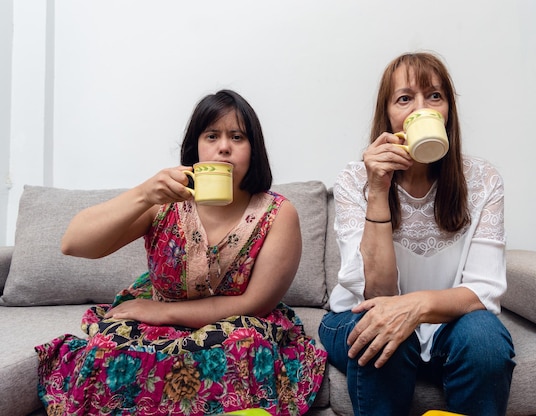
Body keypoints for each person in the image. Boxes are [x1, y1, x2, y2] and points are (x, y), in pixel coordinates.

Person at [36, 89, 327, 416]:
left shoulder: (278, 212)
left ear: (253, 149)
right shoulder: (164, 202)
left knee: (245, 344)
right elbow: (73, 243)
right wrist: (144, 193)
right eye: (212, 136)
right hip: (154, 322)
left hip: (236, 322)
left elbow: (253, 304)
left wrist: (162, 312)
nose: (224, 147)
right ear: (195, 149)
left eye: (237, 137)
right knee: (107, 350)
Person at [318, 52, 516, 416]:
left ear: (448, 113)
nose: (419, 110)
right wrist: (378, 190)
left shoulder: (484, 181)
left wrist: (415, 307)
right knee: (380, 331)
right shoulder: (353, 180)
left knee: (485, 338)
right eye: (405, 98)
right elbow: (375, 295)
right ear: (388, 115)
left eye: (434, 97)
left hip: (447, 325)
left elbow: (482, 291)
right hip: (356, 315)